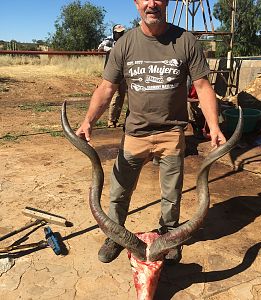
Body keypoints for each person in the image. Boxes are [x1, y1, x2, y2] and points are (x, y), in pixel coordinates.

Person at [76, 0, 226, 265]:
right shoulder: (125, 43)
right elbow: (106, 87)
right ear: (137, 3)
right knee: (119, 191)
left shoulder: (185, 41)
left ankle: (169, 237)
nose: (152, 3)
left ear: (166, 2)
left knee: (172, 194)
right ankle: (115, 234)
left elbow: (202, 86)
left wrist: (213, 127)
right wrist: (88, 120)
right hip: (135, 133)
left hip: (172, 133)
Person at [98, 24, 127, 128]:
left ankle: (116, 120)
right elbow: (100, 48)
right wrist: (111, 50)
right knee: (115, 96)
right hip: (112, 72)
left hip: (123, 72)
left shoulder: (125, 40)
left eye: (122, 32)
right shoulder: (109, 40)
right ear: (114, 32)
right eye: (118, 32)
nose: (121, 34)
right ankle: (110, 120)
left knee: (121, 95)